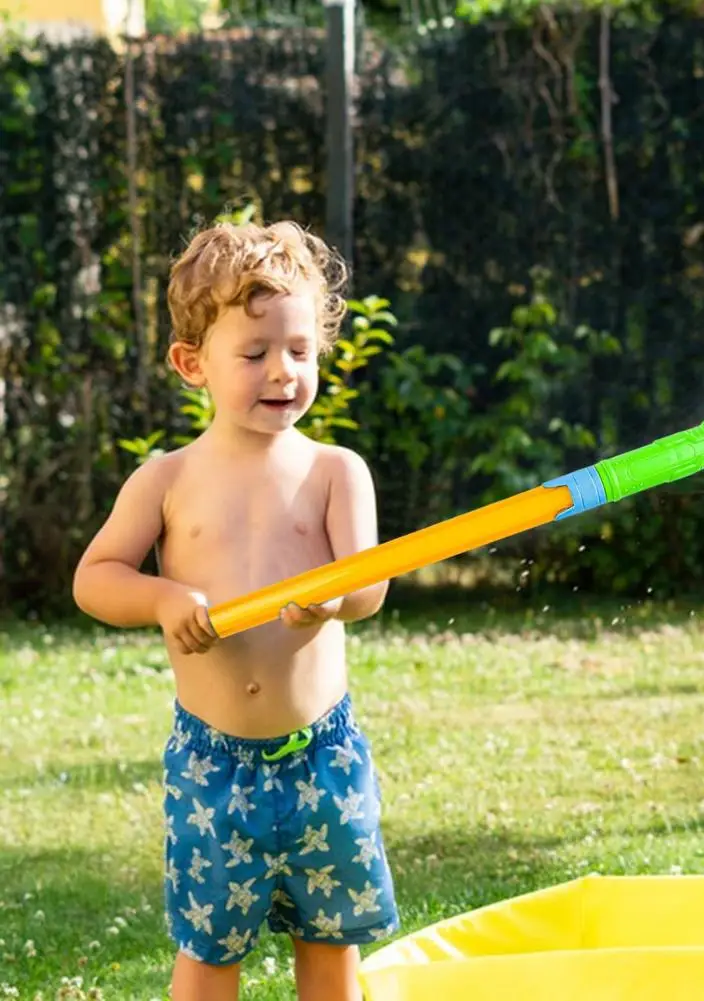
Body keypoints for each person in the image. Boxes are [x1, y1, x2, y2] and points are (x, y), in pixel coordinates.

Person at [72, 220, 398, 1001]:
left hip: (322, 755)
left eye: (299, 351)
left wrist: (333, 594)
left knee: (331, 942)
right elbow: (94, 578)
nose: (282, 371)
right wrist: (162, 596)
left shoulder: (335, 472)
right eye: (254, 354)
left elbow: (370, 586)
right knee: (210, 947)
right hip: (212, 763)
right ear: (193, 364)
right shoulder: (166, 481)